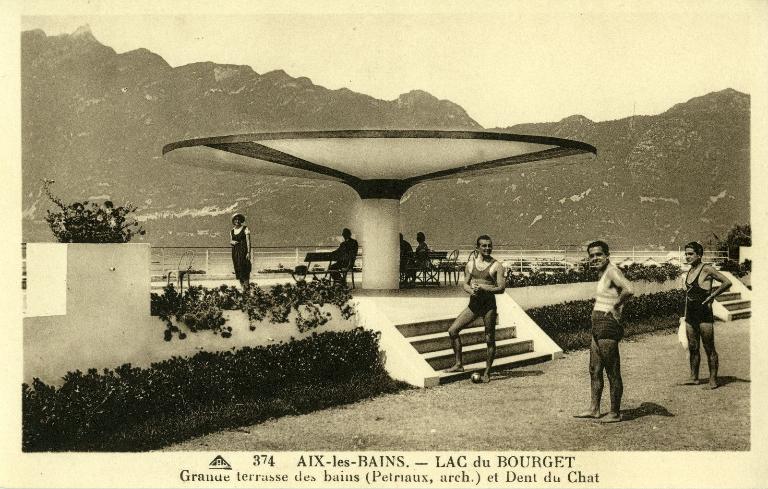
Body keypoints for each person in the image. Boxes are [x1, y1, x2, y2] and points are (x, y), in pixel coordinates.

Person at [574, 240, 634, 423]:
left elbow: (629, 289)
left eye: (598, 254)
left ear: (607, 255)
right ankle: (594, 409)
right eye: (591, 255)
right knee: (594, 369)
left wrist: (615, 307)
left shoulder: (612, 271)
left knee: (612, 371)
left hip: (607, 324)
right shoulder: (603, 274)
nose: (595, 258)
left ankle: (615, 412)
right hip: (598, 324)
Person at [445, 235, 506, 382]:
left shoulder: (497, 266)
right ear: (477, 247)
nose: (487, 248)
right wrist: (471, 290)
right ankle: (459, 364)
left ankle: (487, 372)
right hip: (474, 305)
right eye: (484, 246)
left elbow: (501, 288)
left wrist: (484, 288)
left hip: (489, 306)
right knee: (453, 330)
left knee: (489, 338)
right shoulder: (470, 265)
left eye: (489, 245)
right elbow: (465, 284)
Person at [682, 241, 732, 389]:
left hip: (704, 313)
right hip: (691, 314)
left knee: (709, 347)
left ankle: (713, 379)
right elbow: (688, 295)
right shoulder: (690, 271)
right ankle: (694, 377)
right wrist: (685, 314)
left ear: (699, 254)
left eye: (690, 254)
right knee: (692, 346)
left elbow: (726, 282)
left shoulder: (707, 269)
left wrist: (712, 296)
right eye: (686, 254)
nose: (687, 256)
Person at [230, 213, 251, 290]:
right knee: (238, 269)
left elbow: (248, 241)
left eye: (239, 219)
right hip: (235, 252)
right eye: (235, 219)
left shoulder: (245, 228)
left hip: (244, 252)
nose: (237, 221)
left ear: (241, 220)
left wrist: (248, 252)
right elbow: (231, 241)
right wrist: (232, 242)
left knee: (245, 270)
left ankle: (247, 288)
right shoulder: (232, 231)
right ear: (234, 221)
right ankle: (242, 289)